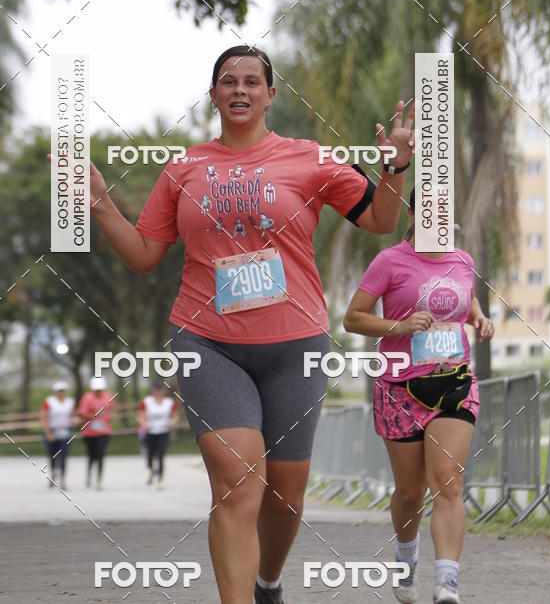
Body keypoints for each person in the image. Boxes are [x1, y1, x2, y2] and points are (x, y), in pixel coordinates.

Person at [86, 44, 415, 604]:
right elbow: (144, 255)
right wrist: (99, 203)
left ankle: (268, 584)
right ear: (212, 94)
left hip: (297, 346)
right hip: (208, 343)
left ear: (269, 94)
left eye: (251, 81)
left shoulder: (311, 158)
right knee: (237, 485)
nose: (240, 89)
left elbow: (382, 220)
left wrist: (396, 165)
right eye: (228, 81)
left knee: (285, 497)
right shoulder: (183, 168)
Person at [344, 187, 495, 604]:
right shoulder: (389, 262)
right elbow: (353, 318)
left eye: (445, 210)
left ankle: (447, 582)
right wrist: (401, 326)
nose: (439, 217)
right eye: (431, 209)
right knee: (410, 493)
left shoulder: (463, 260)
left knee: (447, 482)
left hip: (455, 381)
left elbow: (466, 299)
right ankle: (405, 557)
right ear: (414, 212)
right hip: (399, 389)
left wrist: (479, 318)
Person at [137, 379, 179, 488]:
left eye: (160, 390)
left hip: (163, 432)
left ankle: (160, 480)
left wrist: (171, 423)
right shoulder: (146, 402)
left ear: (163, 391)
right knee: (150, 456)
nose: (158, 392)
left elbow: (175, 417)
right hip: (150, 433)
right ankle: (151, 471)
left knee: (160, 455)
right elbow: (140, 416)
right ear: (152, 390)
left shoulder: (169, 403)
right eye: (156, 390)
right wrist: (144, 424)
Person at [77, 376, 114, 490]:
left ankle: (99, 479)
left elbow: (111, 409)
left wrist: (107, 417)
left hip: (104, 431)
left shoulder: (108, 396)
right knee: (92, 455)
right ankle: (89, 475)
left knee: (100, 453)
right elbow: (82, 413)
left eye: (100, 389)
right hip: (90, 432)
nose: (98, 392)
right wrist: (93, 416)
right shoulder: (87, 398)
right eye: (96, 390)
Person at [40, 380, 76, 490]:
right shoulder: (49, 402)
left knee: (64, 454)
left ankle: (63, 480)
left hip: (65, 431)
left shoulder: (70, 402)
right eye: (59, 391)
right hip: (52, 430)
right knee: (53, 455)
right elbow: (44, 417)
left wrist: (74, 421)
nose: (61, 393)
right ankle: (53, 474)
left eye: (63, 391)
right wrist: (48, 432)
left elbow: (71, 416)